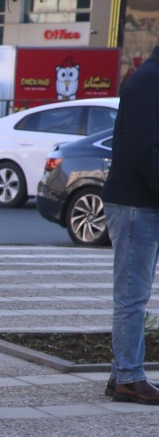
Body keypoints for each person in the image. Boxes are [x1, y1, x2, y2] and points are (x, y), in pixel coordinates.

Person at [98, 46, 159, 404]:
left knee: (134, 294)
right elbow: (143, 150)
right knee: (132, 296)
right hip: (136, 203)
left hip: (141, 201)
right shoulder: (149, 81)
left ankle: (121, 372)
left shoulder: (148, 79)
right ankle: (128, 377)